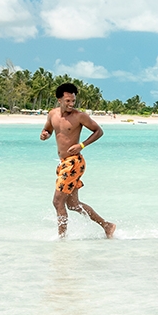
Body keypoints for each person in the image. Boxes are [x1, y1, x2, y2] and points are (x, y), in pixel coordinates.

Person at [40, 82, 116, 239]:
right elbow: (48, 129)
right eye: (67, 101)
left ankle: (61, 239)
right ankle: (106, 226)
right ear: (59, 99)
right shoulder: (52, 114)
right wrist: (45, 134)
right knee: (73, 205)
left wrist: (82, 145)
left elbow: (98, 131)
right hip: (63, 163)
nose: (71, 104)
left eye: (73, 101)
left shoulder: (79, 116)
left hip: (74, 163)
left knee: (57, 201)